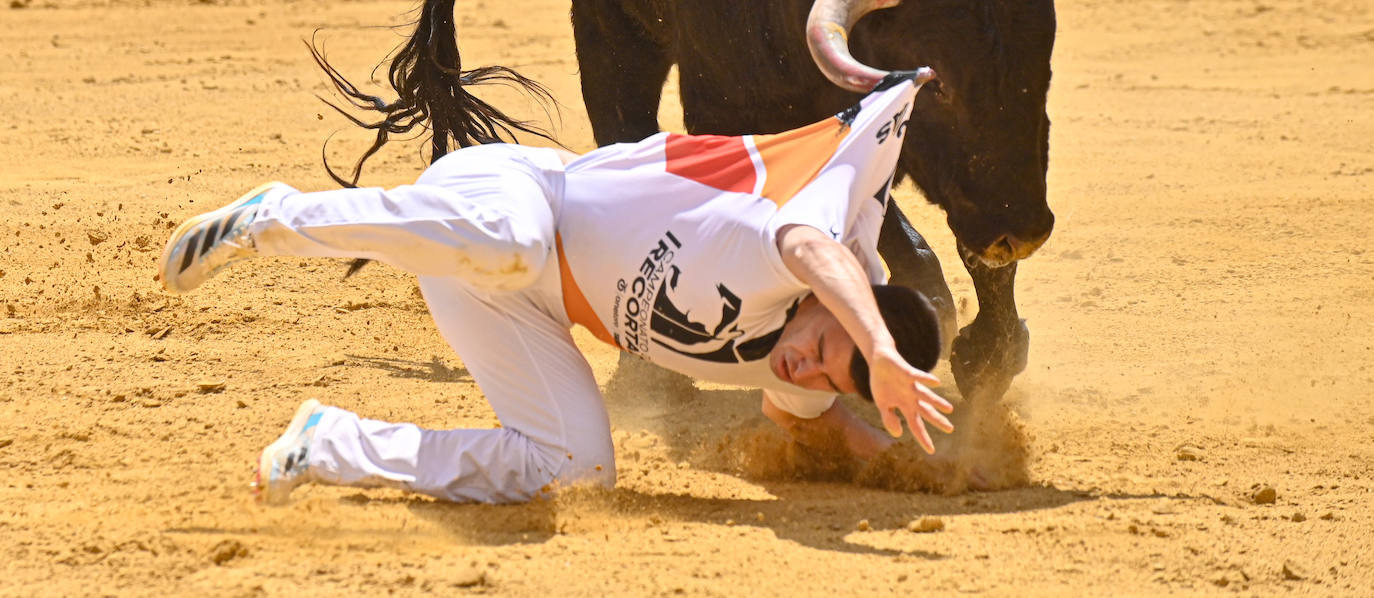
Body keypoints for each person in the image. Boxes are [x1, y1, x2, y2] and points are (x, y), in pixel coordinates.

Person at [157, 72, 953, 505]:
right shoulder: (770, 245)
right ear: (836, 303)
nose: (803, 370)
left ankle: (327, 445)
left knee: (575, 472)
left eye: (830, 377)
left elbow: (820, 430)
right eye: (824, 347)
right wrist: (877, 349)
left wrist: (928, 469)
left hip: (520, 306)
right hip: (514, 196)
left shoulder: (808, 368)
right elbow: (816, 248)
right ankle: (275, 217)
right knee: (510, 244)